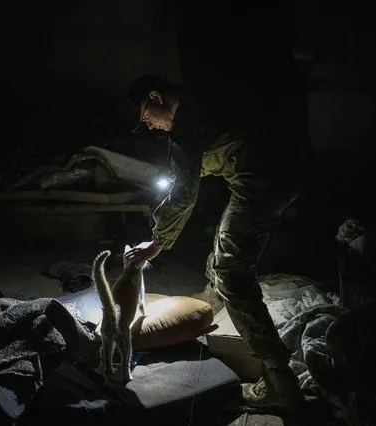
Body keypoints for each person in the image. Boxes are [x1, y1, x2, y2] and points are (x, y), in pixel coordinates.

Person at [123, 74, 309, 412]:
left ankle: (282, 384)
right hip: (278, 170)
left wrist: (156, 243)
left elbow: (183, 196)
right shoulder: (201, 99)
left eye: (147, 117)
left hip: (263, 184)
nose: (150, 126)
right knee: (222, 256)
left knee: (231, 274)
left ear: (156, 97)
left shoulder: (187, 123)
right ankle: (226, 321)